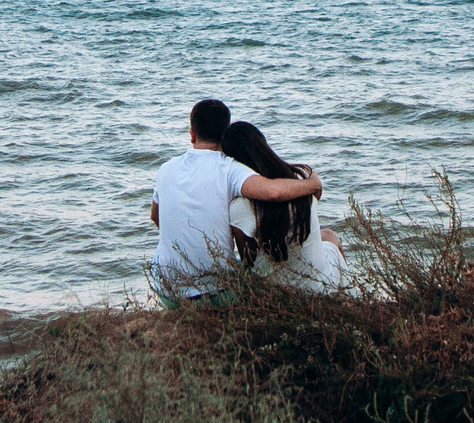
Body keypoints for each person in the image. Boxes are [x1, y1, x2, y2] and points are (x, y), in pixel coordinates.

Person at [149, 99, 322, 304]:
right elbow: (273, 192)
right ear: (225, 133)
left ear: (192, 134)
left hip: (168, 292)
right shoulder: (230, 169)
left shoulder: (165, 169)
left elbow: (156, 217)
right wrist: (312, 185)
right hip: (217, 294)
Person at [221, 120, 349, 293]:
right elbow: (315, 200)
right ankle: (350, 295)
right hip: (319, 286)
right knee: (329, 236)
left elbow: (248, 259)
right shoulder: (302, 178)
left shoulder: (241, 206)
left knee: (323, 236)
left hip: (276, 291)